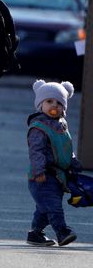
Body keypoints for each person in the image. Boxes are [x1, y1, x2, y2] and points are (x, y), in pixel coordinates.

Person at [26, 80, 80, 247]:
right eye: (49, 101)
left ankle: (35, 234)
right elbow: (36, 151)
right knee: (53, 207)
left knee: (44, 209)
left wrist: (73, 162)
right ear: (40, 104)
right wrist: (39, 171)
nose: (54, 106)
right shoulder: (38, 127)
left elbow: (65, 146)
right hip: (42, 176)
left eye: (59, 103)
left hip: (58, 176)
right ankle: (62, 232)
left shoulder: (62, 125)